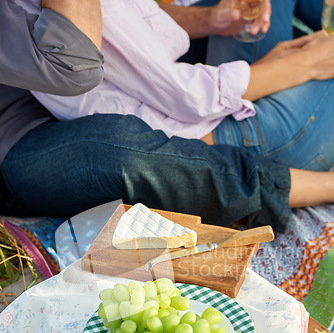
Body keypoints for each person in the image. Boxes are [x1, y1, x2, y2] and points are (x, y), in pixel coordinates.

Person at [1, 0, 334, 237]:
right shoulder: (64, 23)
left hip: (196, 112)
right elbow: (183, 95)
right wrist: (298, 67)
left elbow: (151, 47)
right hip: (221, 142)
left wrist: (216, 21)